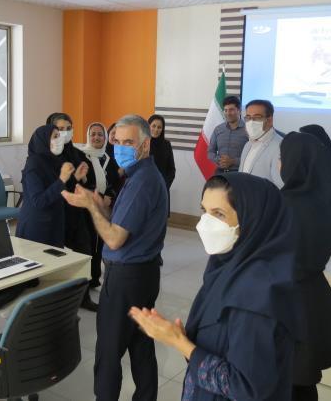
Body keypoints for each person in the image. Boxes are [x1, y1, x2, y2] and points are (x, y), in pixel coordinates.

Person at [129, 172, 300, 401]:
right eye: (204, 211)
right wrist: (181, 337)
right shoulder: (227, 267)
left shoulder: (257, 295)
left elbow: (245, 388)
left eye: (219, 214)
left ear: (253, 220)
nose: (205, 224)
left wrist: (179, 342)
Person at [62, 114, 168, 401]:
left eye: (128, 142)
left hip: (127, 278)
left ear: (145, 145)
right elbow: (122, 223)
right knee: (140, 344)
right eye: (117, 141)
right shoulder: (137, 176)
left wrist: (90, 207)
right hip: (144, 274)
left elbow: (113, 238)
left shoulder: (142, 181)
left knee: (109, 350)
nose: (120, 148)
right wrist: (99, 205)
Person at [279, 132, 331, 401]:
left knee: (285, 379)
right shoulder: (325, 202)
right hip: (315, 299)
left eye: (282, 158)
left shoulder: (281, 205)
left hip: (285, 304)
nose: (279, 164)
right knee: (305, 379)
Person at [47, 112, 97, 311]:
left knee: (84, 253)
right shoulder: (46, 155)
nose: (65, 133)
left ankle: (83, 297)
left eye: (68, 128)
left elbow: (89, 182)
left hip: (77, 213)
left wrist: (82, 178)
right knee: (57, 258)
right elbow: (52, 189)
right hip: (56, 215)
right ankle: (59, 301)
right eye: (60, 129)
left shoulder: (76, 153)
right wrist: (73, 179)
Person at [75, 122, 120, 288]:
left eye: (100, 134)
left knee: (98, 244)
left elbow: (115, 182)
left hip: (102, 209)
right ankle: (83, 280)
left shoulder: (108, 158)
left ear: (105, 137)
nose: (96, 137)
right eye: (93, 134)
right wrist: (100, 196)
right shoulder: (81, 156)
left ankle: (94, 278)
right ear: (88, 136)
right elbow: (81, 183)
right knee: (85, 243)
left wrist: (109, 195)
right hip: (84, 209)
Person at [15, 125, 71, 247]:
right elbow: (38, 201)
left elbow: (58, 190)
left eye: (59, 136)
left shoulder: (55, 161)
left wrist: (75, 177)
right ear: (43, 140)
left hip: (54, 222)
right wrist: (62, 179)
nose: (59, 140)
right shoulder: (33, 164)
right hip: (36, 226)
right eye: (55, 136)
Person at [238, 100, 283, 186]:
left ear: (269, 120)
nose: (251, 122)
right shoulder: (248, 145)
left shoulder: (280, 146)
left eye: (257, 117)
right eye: (248, 117)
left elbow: (279, 186)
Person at [207, 96, 248, 173]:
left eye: (231, 110)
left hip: (239, 173)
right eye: (225, 110)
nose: (228, 113)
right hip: (220, 172)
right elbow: (210, 152)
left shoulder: (248, 130)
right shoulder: (218, 129)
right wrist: (220, 160)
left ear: (239, 111)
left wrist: (233, 161)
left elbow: (252, 157)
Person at [299, 124, 331, 191]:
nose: (301, 139)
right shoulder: (324, 150)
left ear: (313, 136)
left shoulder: (322, 154)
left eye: (304, 136)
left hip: (320, 193)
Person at [148, 114, 176, 191]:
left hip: (162, 188)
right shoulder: (142, 144)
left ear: (162, 129)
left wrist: (164, 186)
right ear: (148, 126)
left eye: (159, 127)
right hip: (145, 188)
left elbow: (171, 170)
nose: (156, 129)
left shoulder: (167, 144)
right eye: (153, 126)